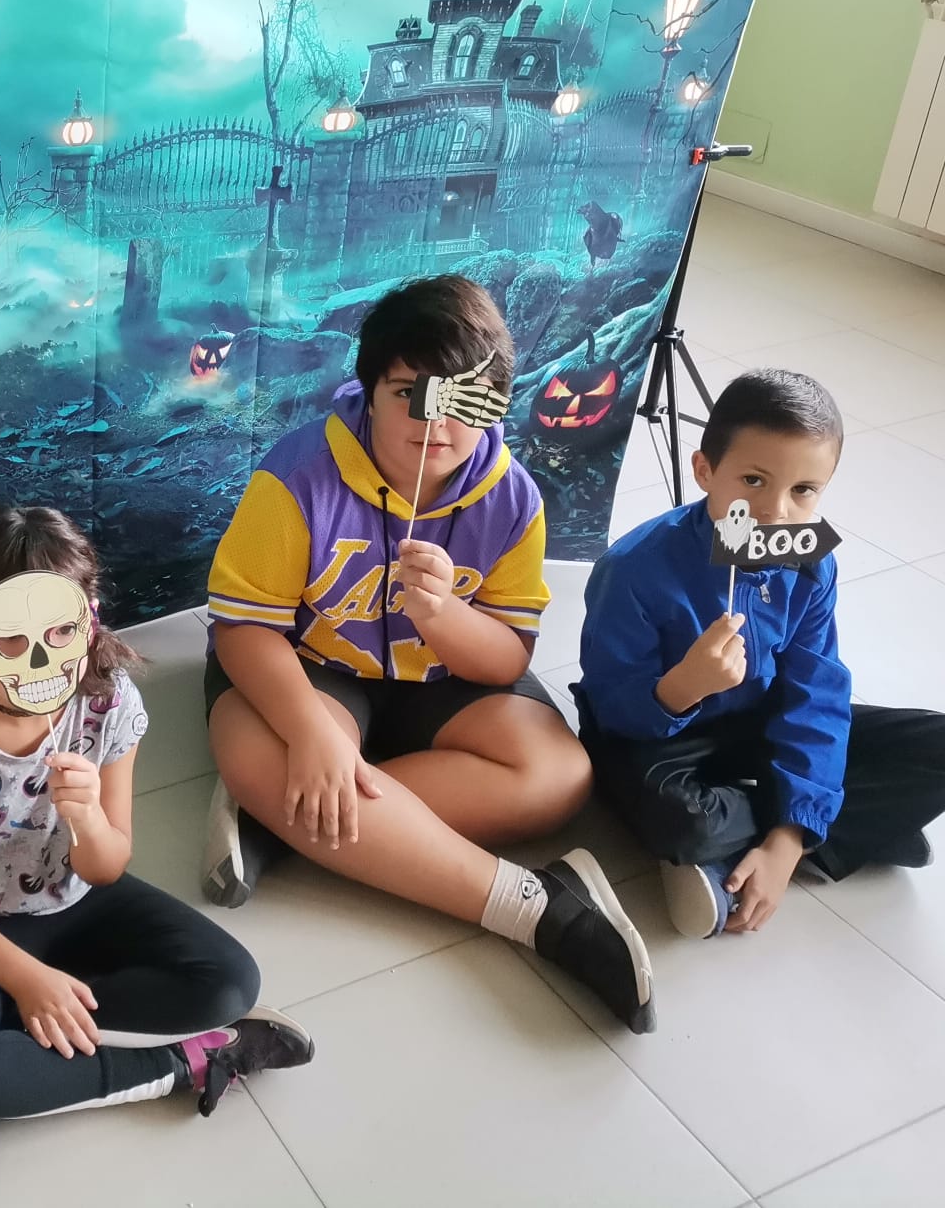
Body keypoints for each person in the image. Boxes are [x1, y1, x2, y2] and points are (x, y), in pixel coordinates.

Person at [200, 274, 656, 1034]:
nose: (434, 422)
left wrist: (444, 617)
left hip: (443, 680)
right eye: (408, 393)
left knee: (559, 776)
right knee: (270, 756)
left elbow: (505, 660)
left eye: (463, 400)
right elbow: (245, 629)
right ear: (370, 391)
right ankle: (536, 908)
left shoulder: (513, 499)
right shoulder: (297, 478)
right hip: (307, 665)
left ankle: (286, 820)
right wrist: (313, 736)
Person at [0, 506, 315, 1184]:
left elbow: (110, 864)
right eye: (12, 638)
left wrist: (87, 820)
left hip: (83, 898)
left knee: (231, 983)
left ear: (89, 616)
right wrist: (23, 978)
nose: (41, 658)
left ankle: (2, 1062)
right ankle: (182, 1062)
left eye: (63, 631)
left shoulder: (108, 703)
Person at [576, 369, 945, 938]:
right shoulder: (634, 568)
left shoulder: (811, 562)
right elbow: (612, 709)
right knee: (682, 819)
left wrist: (787, 842)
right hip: (661, 739)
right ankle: (846, 825)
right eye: (752, 480)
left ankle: (781, 838)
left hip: (757, 724)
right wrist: (683, 687)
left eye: (804, 491)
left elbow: (816, 693)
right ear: (705, 470)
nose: (775, 511)